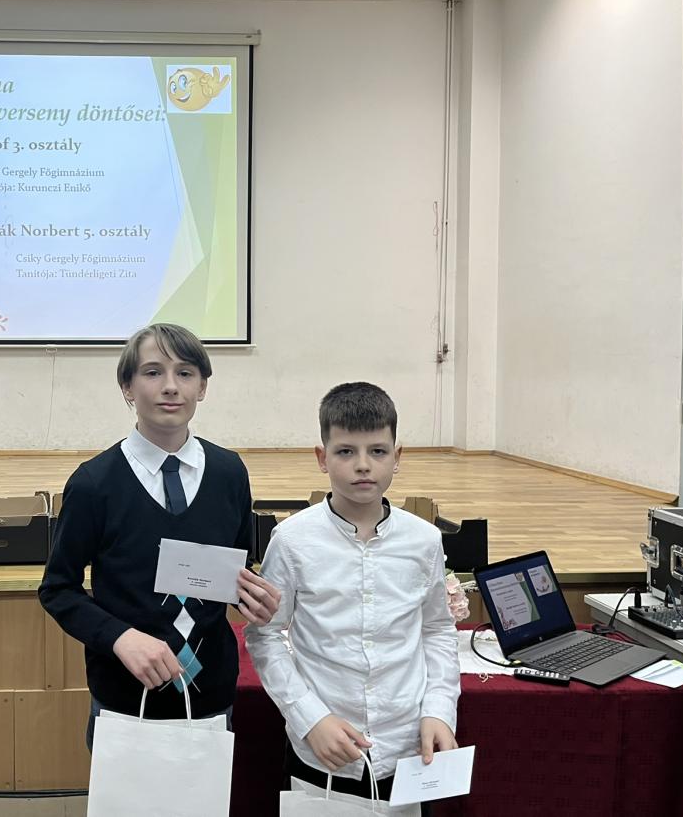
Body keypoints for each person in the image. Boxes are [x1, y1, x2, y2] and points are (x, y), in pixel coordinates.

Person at [38, 323, 280, 748]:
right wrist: (121, 638)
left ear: (202, 387)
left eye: (185, 373)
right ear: (127, 387)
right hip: (126, 701)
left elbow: (233, 572)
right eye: (153, 372)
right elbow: (58, 589)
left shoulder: (229, 473)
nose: (170, 386)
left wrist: (253, 597)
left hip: (211, 699)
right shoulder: (95, 484)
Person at [245, 381, 460, 808]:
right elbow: (265, 635)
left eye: (377, 451)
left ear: (397, 457)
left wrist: (439, 709)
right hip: (322, 749)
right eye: (346, 451)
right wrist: (310, 718)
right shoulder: (291, 540)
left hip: (407, 747)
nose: (363, 465)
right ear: (322, 458)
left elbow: (437, 629)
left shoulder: (423, 540)